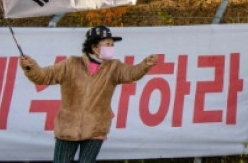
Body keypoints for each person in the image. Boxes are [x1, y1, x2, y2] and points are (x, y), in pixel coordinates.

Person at [19, 25, 159, 163]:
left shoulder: (114, 67)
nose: (111, 48)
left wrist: (146, 64)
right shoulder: (70, 64)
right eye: (107, 44)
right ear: (94, 47)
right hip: (68, 128)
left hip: (96, 128)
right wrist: (30, 66)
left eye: (112, 44)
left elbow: (131, 73)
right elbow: (43, 76)